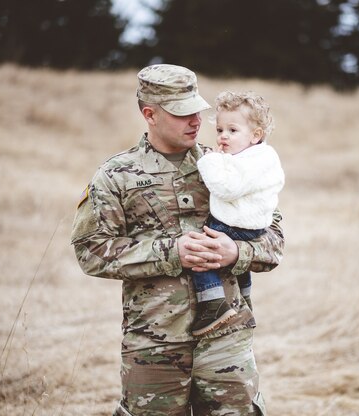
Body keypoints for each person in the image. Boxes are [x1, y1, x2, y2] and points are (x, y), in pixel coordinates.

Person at [70, 64, 284, 416]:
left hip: (225, 339)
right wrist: (170, 252)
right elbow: (90, 251)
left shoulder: (228, 164)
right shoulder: (115, 176)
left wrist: (237, 252)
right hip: (154, 346)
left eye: (198, 110)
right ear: (149, 114)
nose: (196, 121)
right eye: (181, 113)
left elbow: (274, 238)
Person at [190, 91, 285, 337]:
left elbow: (227, 187)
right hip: (252, 224)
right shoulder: (256, 156)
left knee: (202, 250)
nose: (223, 137)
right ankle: (244, 296)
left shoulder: (252, 160)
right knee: (237, 266)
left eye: (232, 131)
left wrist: (210, 160)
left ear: (256, 135)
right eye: (220, 130)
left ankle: (212, 303)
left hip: (239, 223)